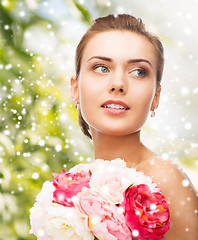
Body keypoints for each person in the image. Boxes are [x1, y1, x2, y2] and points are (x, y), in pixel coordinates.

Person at [70, 14, 198, 239]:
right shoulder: (75, 183)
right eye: (101, 68)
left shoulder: (165, 179)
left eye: (138, 72)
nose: (118, 84)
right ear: (75, 88)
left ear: (156, 97)